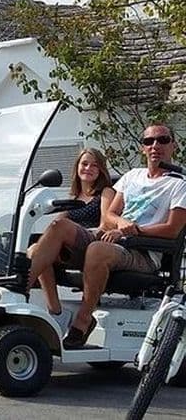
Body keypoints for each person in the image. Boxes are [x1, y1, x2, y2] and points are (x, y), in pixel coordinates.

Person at [27, 125, 186, 349]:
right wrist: (121, 223)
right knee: (58, 225)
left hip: (143, 253)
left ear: (173, 145)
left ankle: (83, 321)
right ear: (142, 148)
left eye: (162, 140)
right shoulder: (132, 176)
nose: (155, 146)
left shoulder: (179, 184)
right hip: (114, 240)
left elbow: (173, 229)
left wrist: (133, 230)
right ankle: (20, 290)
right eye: (149, 142)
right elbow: (110, 214)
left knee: (97, 249)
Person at [26, 148, 115, 332]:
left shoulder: (106, 192)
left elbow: (106, 224)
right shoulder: (73, 197)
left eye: (94, 165)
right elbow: (54, 227)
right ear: (77, 168)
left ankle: (21, 288)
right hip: (70, 249)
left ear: (101, 171)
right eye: (84, 164)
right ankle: (56, 313)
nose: (88, 168)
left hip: (91, 244)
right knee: (37, 249)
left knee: (61, 226)